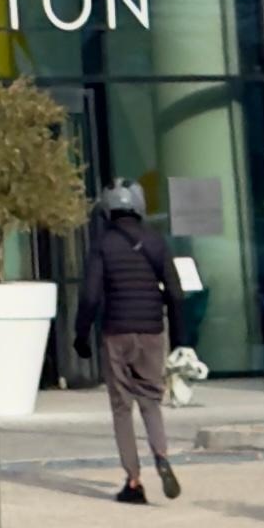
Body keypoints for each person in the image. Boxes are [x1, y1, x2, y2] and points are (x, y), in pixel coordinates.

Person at [81, 186, 181, 504]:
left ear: (108, 212)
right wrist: (180, 338)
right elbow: (176, 293)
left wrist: (79, 334)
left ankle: (134, 481)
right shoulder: (155, 241)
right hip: (152, 331)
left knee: (122, 407)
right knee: (151, 401)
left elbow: (90, 296)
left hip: (117, 332)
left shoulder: (103, 244)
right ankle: (162, 455)